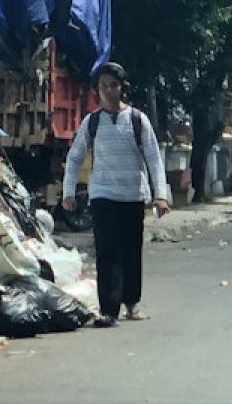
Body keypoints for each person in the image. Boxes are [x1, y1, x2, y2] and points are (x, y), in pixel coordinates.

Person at [62, 62, 170, 327]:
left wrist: (161, 195)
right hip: (103, 195)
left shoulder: (137, 120)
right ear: (97, 91)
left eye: (114, 85)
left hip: (132, 195)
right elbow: (75, 157)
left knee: (131, 252)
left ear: (123, 87)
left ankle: (131, 304)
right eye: (103, 86)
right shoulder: (93, 122)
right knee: (106, 252)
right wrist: (68, 192)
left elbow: (154, 158)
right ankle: (108, 310)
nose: (109, 91)